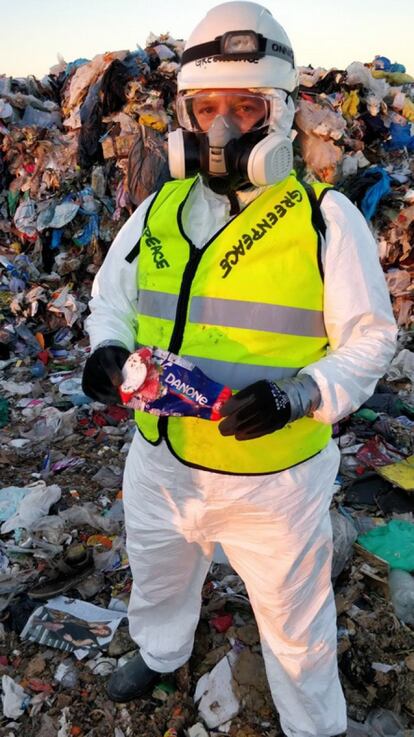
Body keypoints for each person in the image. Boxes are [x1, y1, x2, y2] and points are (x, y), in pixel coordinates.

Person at [82, 3, 397, 735]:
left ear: (280, 114)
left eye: (245, 106)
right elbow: (111, 301)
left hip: (273, 481)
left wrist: (299, 395)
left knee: (295, 623)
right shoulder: (158, 207)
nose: (223, 127)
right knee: (157, 572)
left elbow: (370, 337)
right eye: (208, 107)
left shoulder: (323, 219)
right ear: (185, 113)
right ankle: (162, 652)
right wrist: (105, 349)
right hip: (161, 459)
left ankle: (313, 722)